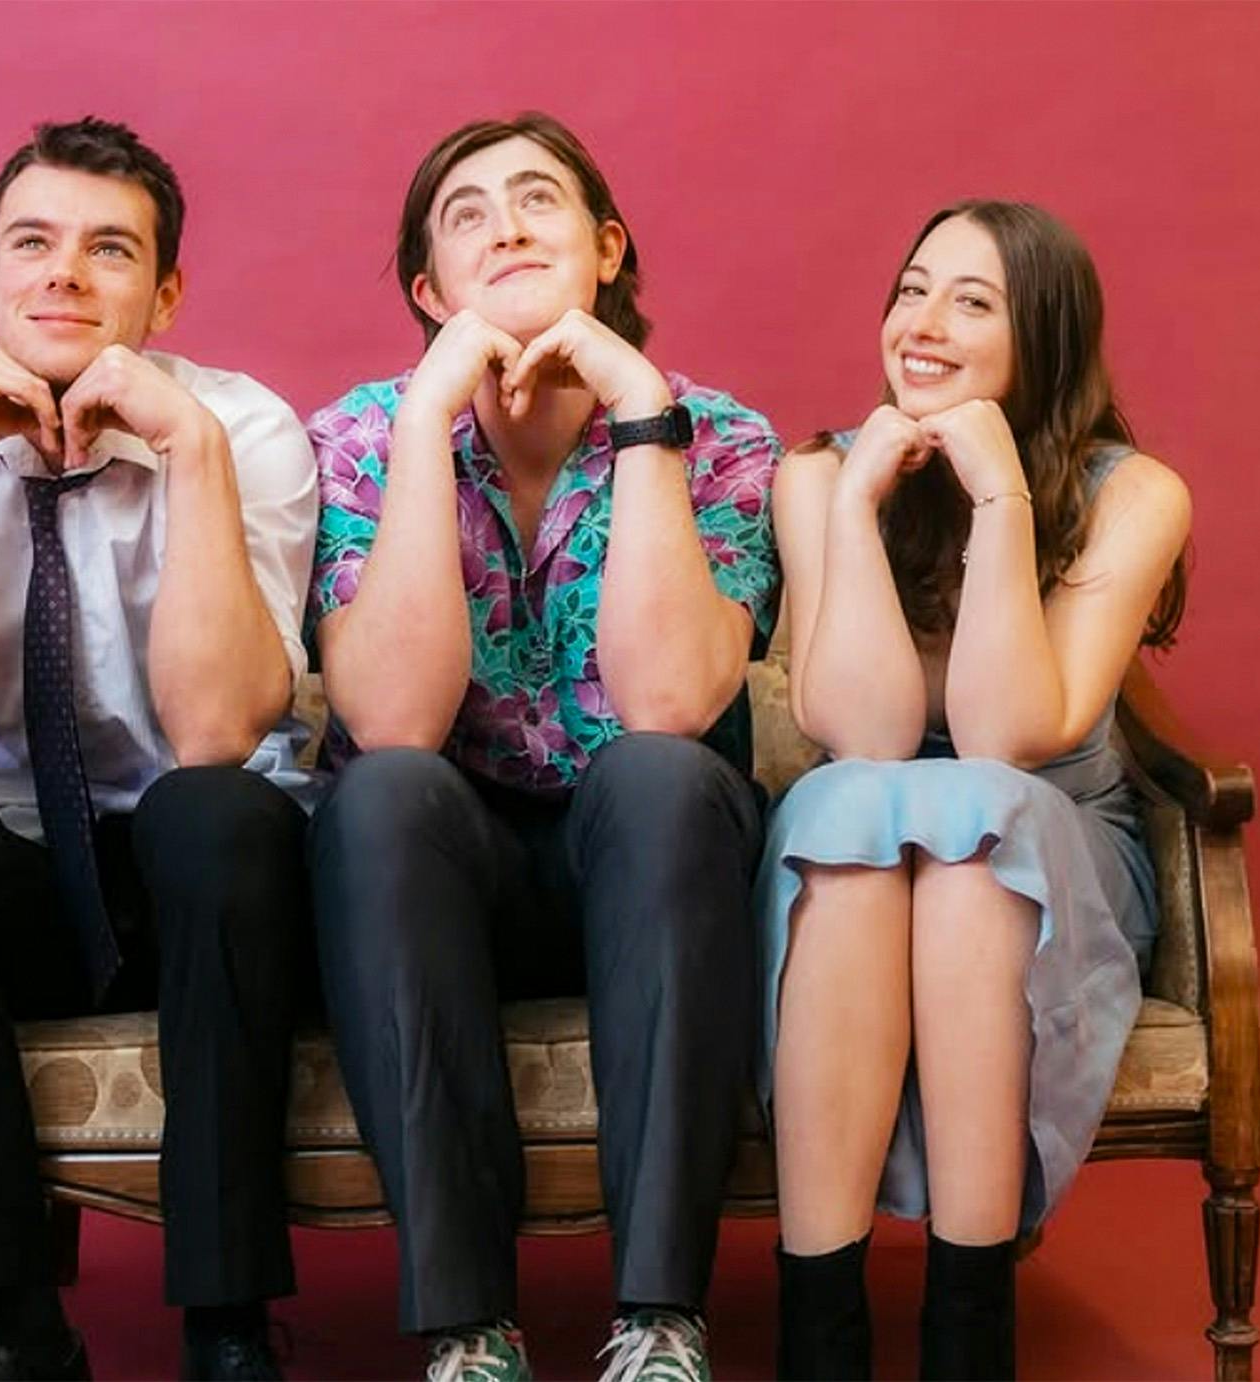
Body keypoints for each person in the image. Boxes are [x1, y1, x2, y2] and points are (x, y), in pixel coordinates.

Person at [0, 118, 319, 1382]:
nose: (64, 276)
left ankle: (227, 1328)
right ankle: (16, 1324)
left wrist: (187, 450)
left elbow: (218, 730)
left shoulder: (242, 432)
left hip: (206, 897)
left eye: (110, 250)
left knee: (217, 807)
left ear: (165, 291)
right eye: (31, 245)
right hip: (20, 886)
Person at [302, 112, 782, 1382]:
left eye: (538, 201)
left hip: (655, 872)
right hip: (443, 882)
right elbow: (392, 718)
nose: (506, 226)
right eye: (467, 214)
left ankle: (660, 1321)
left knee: (661, 770)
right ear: (428, 287)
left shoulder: (721, 436)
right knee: (386, 788)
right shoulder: (351, 440)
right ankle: (472, 1332)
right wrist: (423, 423)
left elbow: (670, 697)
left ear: (606, 245)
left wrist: (639, 418)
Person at [759, 201, 1193, 1381]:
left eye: (972, 300)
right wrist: (855, 505)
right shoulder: (815, 475)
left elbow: (1004, 739)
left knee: (967, 823)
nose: (924, 322)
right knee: (854, 805)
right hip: (873, 855)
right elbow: (865, 731)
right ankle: (825, 1340)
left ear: (1042, 337)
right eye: (910, 288)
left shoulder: (1133, 493)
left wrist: (1000, 498)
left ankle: (968, 1333)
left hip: (1048, 861)